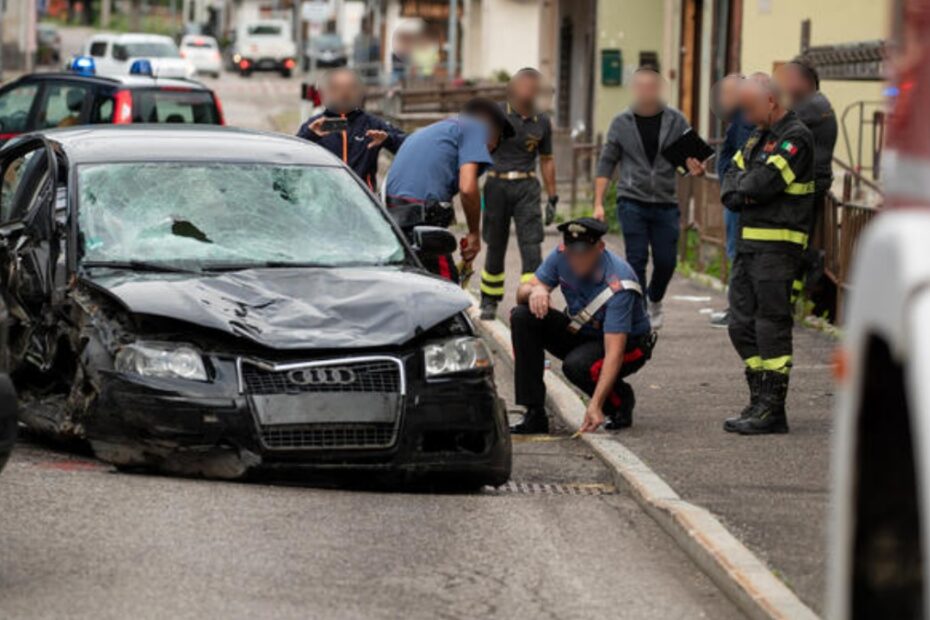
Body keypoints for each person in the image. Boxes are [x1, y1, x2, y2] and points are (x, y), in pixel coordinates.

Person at [720, 74, 815, 435]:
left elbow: (763, 184)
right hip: (749, 246)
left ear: (771, 101)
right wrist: (743, 189)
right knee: (740, 324)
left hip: (779, 246)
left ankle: (772, 409)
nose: (745, 113)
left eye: (750, 106)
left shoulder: (796, 138)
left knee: (770, 326)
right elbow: (732, 176)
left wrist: (745, 189)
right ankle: (759, 399)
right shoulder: (760, 136)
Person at [509, 218, 654, 435]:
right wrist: (536, 290)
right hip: (585, 332)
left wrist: (594, 404)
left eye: (583, 252)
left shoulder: (618, 283)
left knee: (577, 366)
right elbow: (522, 293)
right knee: (522, 316)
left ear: (599, 248)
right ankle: (534, 413)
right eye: (571, 252)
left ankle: (619, 400)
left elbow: (614, 352)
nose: (576, 260)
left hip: (628, 345)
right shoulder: (561, 255)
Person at [594, 67, 702, 330]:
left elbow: (692, 161)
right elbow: (607, 162)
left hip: (666, 201)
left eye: (651, 86)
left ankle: (655, 299)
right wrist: (598, 202)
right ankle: (640, 311)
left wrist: (697, 168)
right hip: (632, 200)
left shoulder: (676, 120)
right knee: (637, 258)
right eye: (640, 86)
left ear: (659, 89)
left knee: (667, 260)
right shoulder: (621, 122)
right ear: (634, 89)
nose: (646, 91)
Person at [385, 98, 515, 281]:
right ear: (493, 132)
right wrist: (474, 234)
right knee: (447, 290)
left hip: (394, 217)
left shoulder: (435, 131)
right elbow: (468, 188)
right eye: (497, 142)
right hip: (420, 220)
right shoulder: (476, 129)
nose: (492, 149)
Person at [479, 68, 558, 320]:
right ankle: (489, 300)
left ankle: (530, 298)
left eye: (533, 86)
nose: (529, 91)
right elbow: (478, 148)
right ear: (513, 88)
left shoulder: (542, 121)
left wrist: (552, 197)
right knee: (495, 244)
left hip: (527, 187)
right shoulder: (496, 115)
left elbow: (546, 160)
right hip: (496, 185)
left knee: (531, 245)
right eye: (524, 85)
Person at [297, 68, 406, 190]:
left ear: (359, 91)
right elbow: (290, 157)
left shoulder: (372, 124)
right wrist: (309, 135)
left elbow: (410, 146)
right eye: (337, 88)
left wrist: (388, 139)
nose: (345, 93)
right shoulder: (315, 125)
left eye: (351, 88)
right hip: (323, 201)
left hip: (362, 202)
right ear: (328, 91)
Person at [709, 74, 756, 328]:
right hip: (734, 194)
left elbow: (740, 157)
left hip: (739, 197)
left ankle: (738, 311)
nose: (722, 98)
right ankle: (737, 308)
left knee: (738, 254)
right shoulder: (738, 118)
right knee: (735, 253)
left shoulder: (746, 119)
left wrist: (732, 186)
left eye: (726, 93)